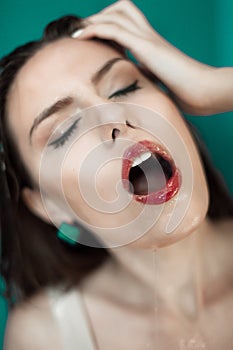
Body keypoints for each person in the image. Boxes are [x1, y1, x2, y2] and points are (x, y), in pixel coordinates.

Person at [1, 1, 232, 349]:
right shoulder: (44, 336)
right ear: (48, 205)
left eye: (124, 88)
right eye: (65, 130)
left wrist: (217, 86)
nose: (113, 118)